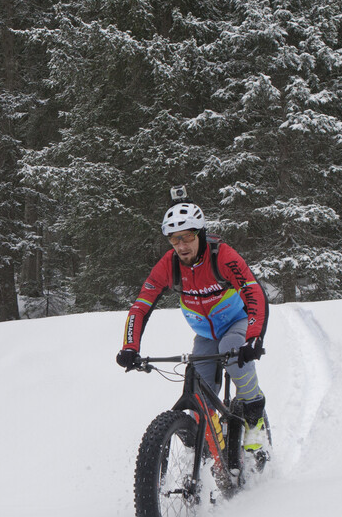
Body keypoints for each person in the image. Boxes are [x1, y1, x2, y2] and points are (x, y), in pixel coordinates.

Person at [116, 189, 271, 465]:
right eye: (175, 239)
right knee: (198, 390)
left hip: (236, 323)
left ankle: (254, 416)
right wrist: (130, 347)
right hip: (204, 334)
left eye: (188, 236)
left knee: (232, 351)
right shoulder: (168, 265)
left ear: (200, 233)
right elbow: (140, 306)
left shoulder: (222, 256)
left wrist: (254, 337)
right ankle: (211, 448)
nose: (182, 244)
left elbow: (254, 292)